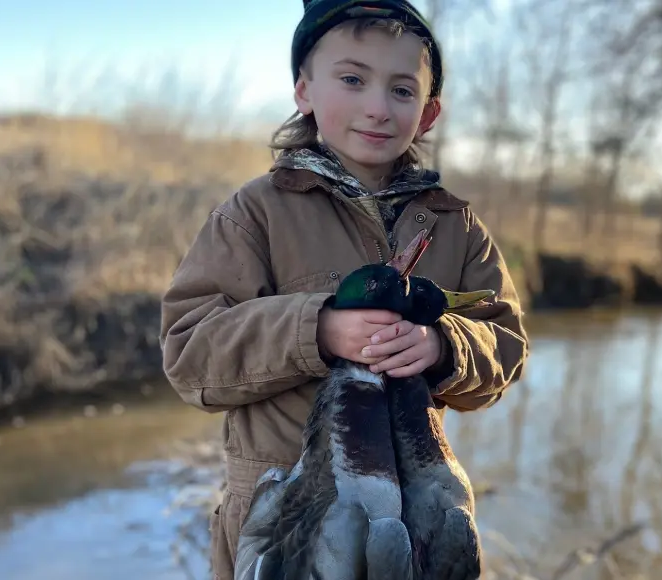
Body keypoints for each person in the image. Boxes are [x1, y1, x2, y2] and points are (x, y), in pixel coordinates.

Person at [158, 1, 528, 578]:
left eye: (402, 90)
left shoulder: (456, 225)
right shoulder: (254, 216)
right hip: (283, 537)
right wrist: (318, 329)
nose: (378, 108)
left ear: (428, 114)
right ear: (304, 90)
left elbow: (506, 343)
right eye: (353, 80)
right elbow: (189, 355)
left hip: (413, 542)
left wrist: (444, 346)